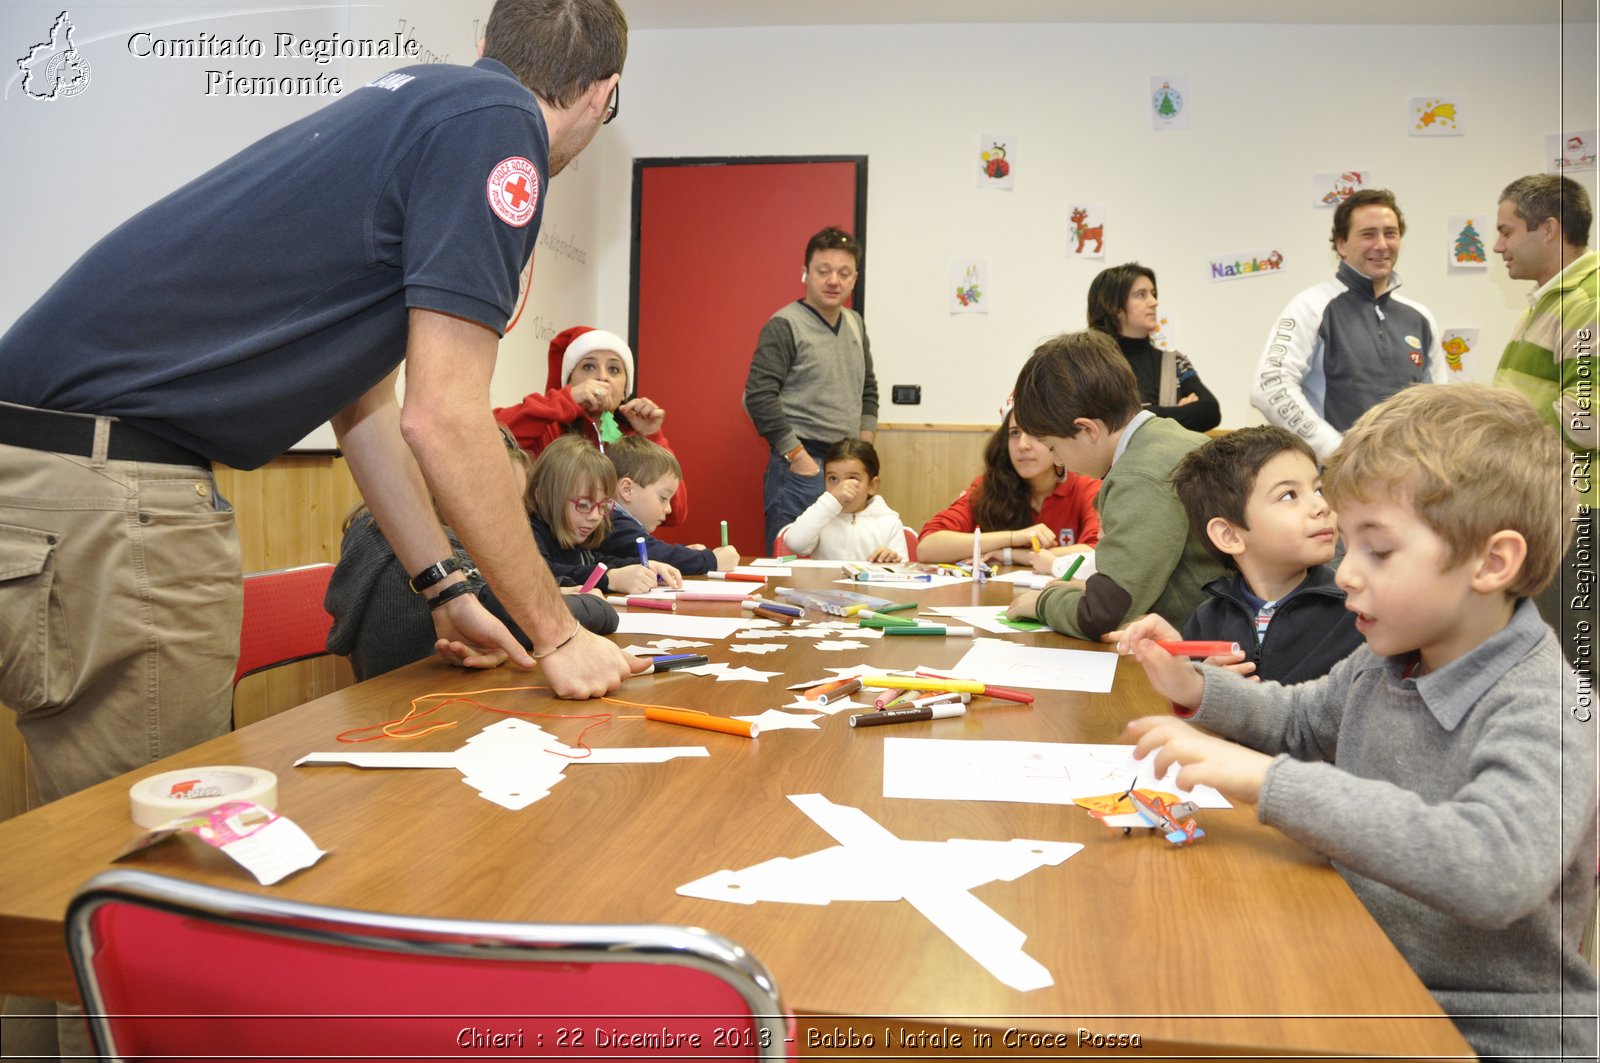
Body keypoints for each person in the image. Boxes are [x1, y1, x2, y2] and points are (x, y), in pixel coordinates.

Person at [0, 2, 639, 1054]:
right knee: (166, 888)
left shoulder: (425, 104)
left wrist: (448, 588)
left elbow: (371, 407)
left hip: (52, 476)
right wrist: (559, 635)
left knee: (71, 863)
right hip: (118, 495)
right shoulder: (498, 130)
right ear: (603, 95)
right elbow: (446, 411)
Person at [1119, 384, 1595, 1062]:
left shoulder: (1549, 704)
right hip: (1363, 976)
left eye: (1377, 550)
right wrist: (1196, 685)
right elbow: (1297, 720)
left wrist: (1268, 781)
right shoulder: (1389, 657)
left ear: (1492, 562)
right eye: (1346, 545)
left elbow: (1495, 865)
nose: (1344, 574)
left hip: (1488, 1033)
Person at [325, 427, 618, 682]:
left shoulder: (391, 532)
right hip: (411, 715)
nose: (509, 524)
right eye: (500, 507)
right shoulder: (407, 550)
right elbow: (513, 617)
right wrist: (594, 605)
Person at [1005, 331, 1224, 641]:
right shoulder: (1164, 437)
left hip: (1205, 647)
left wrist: (1042, 603)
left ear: (1086, 430)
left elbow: (1104, 613)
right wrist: (1086, 590)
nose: (1056, 461)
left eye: (1052, 447)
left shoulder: (1139, 475)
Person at [1119, 426, 1362, 685]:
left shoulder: (1356, 612)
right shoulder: (1207, 620)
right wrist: (1206, 686)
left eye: (1318, 490)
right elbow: (1192, 705)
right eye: (1289, 495)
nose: (1321, 506)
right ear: (1229, 536)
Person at [1249, 188, 1447, 461]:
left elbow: (1439, 406)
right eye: (1368, 234)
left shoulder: (1420, 317)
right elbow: (1269, 387)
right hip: (1337, 482)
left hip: (1406, 483)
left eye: (1390, 233)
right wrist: (1338, 453)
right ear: (1341, 245)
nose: (1381, 244)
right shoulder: (1312, 306)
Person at [1491, 173, 1597, 665]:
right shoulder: (1552, 299)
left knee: (1576, 661)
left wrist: (1497, 442)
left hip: (1579, 511)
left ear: (1549, 229)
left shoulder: (1589, 301)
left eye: (1508, 231)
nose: (1497, 246)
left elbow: (1590, 417)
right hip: (1554, 507)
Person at [743, 226, 879, 552]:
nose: (834, 280)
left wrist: (864, 449)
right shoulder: (784, 325)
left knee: (839, 566)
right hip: (799, 470)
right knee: (790, 567)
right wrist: (798, 457)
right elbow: (758, 396)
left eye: (844, 273)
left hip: (847, 468)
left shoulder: (855, 323)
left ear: (854, 278)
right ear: (806, 273)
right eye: (824, 271)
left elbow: (869, 389)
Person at [494, 325, 688, 527]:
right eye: (588, 367)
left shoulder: (630, 438)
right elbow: (492, 435)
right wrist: (566, 399)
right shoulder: (547, 427)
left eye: (613, 369)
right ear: (569, 382)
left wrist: (651, 435)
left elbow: (675, 512)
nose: (602, 377)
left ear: (624, 391)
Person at [917, 406, 1101, 568]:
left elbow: (1096, 553)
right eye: (1015, 433)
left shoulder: (1087, 488)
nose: (1022, 445)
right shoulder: (989, 486)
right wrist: (1014, 537)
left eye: (1035, 433)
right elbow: (927, 547)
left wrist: (1008, 555)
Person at [526, 435, 681, 593]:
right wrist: (611, 578)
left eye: (603, 506)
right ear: (544, 498)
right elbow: (544, 574)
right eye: (584, 505)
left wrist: (644, 566)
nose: (595, 516)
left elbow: (595, 562)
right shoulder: (529, 533)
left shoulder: (576, 538)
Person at [1087, 262, 1220, 432]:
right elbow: (1112, 423)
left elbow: (1210, 411)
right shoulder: (1094, 364)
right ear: (1114, 306)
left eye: (1153, 294)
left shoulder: (1174, 361)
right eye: (1141, 295)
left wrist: (1149, 414)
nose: (1154, 302)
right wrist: (1180, 413)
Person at [600, 435, 738, 576]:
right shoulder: (611, 523)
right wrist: (711, 560)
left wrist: (688, 554)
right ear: (627, 490)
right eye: (663, 498)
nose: (669, 509)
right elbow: (656, 554)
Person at [778, 438, 907, 562]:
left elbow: (904, 570)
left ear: (872, 486)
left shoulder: (889, 522)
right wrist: (831, 501)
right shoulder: (821, 517)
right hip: (824, 584)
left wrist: (891, 560)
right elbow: (795, 543)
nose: (842, 488)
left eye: (853, 478)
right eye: (833, 479)